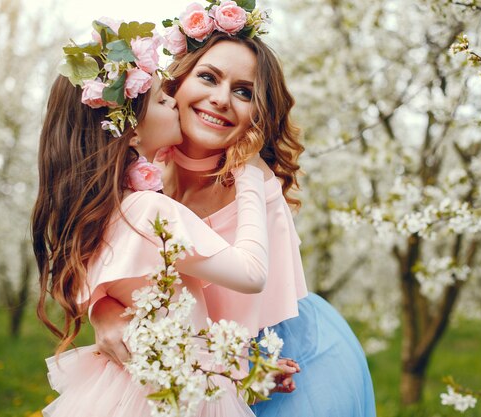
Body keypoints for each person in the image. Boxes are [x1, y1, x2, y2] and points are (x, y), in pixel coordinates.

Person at [93, 4, 377, 416]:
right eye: (208, 77)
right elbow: (97, 256)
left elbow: (250, 294)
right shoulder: (140, 167)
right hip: (176, 359)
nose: (222, 99)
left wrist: (238, 375)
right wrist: (102, 309)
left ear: (258, 113)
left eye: (244, 92)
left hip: (275, 355)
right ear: (178, 81)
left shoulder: (254, 183)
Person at [32, 19, 274, 417]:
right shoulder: (150, 210)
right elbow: (252, 272)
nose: (176, 102)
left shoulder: (112, 210)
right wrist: (247, 171)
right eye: (163, 100)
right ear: (128, 132)